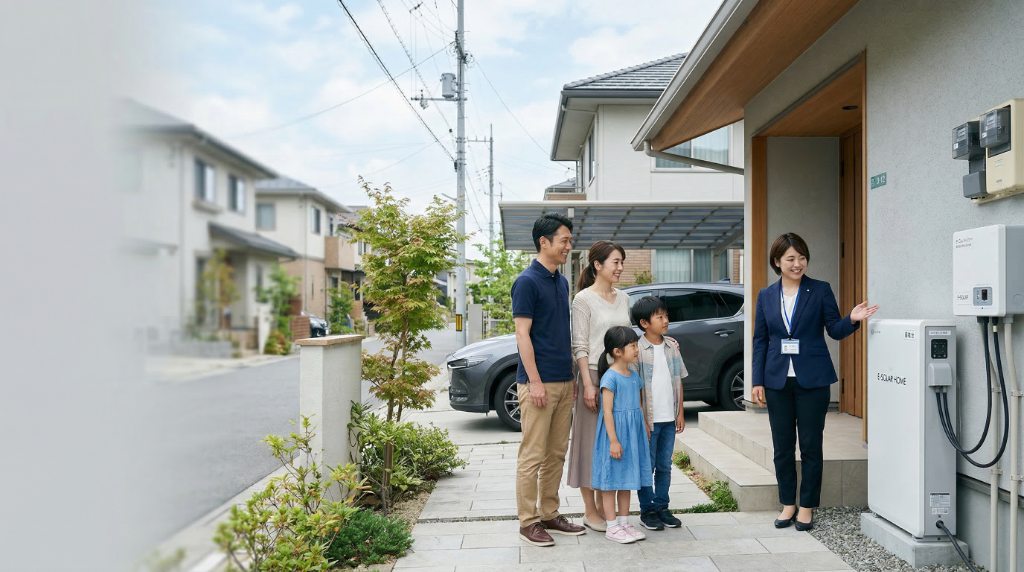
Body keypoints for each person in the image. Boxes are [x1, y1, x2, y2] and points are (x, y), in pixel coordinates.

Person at [751, 233, 878, 531]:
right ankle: (788, 504)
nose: (798, 264)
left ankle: (806, 506)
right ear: (777, 262)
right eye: (791, 259)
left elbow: (834, 329)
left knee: (810, 445)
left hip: (813, 381)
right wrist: (757, 380)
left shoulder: (820, 290)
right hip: (777, 381)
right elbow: (760, 341)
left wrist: (853, 319)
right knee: (782, 447)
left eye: (802, 258)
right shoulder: (766, 295)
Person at [512, 212, 586, 547]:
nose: (569, 246)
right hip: (537, 383)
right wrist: (535, 381)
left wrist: (571, 379)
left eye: (569, 240)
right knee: (533, 455)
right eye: (564, 240)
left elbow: (561, 334)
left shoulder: (561, 281)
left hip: (562, 380)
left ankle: (549, 513)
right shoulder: (527, 281)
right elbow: (523, 335)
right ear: (545, 242)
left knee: (556, 452)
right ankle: (528, 521)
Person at [568, 240, 631, 532]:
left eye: (621, 262)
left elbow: (631, 341)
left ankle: (612, 510)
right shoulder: (583, 299)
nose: (620, 268)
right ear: (598, 265)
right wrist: (587, 385)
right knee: (589, 442)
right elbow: (579, 345)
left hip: (623, 378)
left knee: (615, 442)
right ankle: (590, 510)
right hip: (593, 375)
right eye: (615, 262)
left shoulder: (625, 298)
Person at [630, 295, 688, 531]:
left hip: (668, 419)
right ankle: (648, 510)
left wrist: (680, 411)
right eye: (659, 317)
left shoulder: (672, 347)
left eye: (666, 316)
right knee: (648, 465)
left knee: (665, 465)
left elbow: (679, 381)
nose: (665, 320)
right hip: (650, 421)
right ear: (644, 323)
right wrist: (642, 418)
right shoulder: (638, 350)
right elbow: (636, 387)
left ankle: (662, 507)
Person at [591, 325, 651, 544]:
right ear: (617, 351)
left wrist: (643, 422)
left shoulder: (634, 376)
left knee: (627, 480)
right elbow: (607, 411)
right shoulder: (610, 378)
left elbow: (638, 404)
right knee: (611, 483)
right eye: (633, 346)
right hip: (615, 436)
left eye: (636, 345)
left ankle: (625, 522)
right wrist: (614, 441)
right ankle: (612, 525)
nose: (637, 350)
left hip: (632, 435)